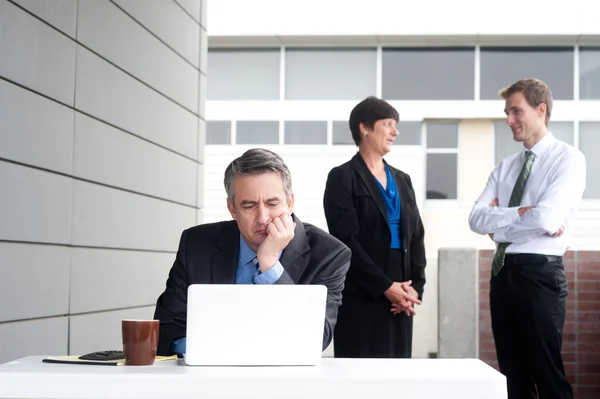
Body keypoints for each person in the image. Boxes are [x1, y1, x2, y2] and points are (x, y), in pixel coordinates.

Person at [154, 148, 351, 356]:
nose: (263, 218)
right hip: (209, 377)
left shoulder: (330, 254)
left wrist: (270, 263)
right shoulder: (196, 244)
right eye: (249, 206)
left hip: (286, 382)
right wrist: (221, 351)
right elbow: (166, 330)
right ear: (232, 209)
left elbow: (315, 338)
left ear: (290, 203)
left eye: (272, 203)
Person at [469, 78, 586, 399]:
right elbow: (476, 220)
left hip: (540, 275)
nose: (509, 120)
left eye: (516, 111)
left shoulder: (568, 159)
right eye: (507, 112)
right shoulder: (504, 168)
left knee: (546, 372)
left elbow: (547, 217)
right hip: (502, 273)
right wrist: (522, 213)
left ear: (541, 109)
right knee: (512, 377)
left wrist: (501, 223)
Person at [323, 96, 426, 358]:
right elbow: (345, 241)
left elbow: (416, 236)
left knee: (397, 372)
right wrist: (384, 286)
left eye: (396, 125)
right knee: (361, 375)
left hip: (401, 294)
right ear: (364, 127)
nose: (395, 131)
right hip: (363, 290)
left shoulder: (403, 180)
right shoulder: (342, 177)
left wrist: (414, 289)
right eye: (388, 124)